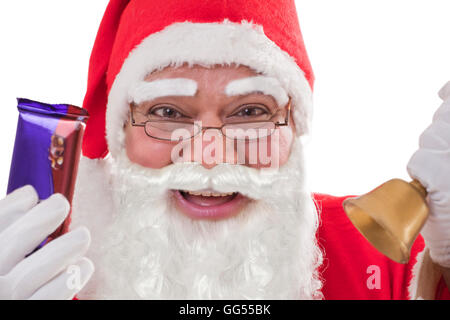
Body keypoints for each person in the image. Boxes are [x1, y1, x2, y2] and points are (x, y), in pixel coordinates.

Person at [0, 0, 449, 300]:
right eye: (169, 113)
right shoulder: (50, 274)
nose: (209, 155)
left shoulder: (383, 257)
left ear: (295, 126)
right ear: (120, 135)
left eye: (251, 110)